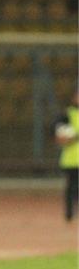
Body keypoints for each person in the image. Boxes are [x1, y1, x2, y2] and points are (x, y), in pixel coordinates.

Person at [54, 89, 79, 221]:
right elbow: (59, 136)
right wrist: (69, 138)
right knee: (72, 187)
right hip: (72, 159)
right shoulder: (66, 115)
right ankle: (69, 213)